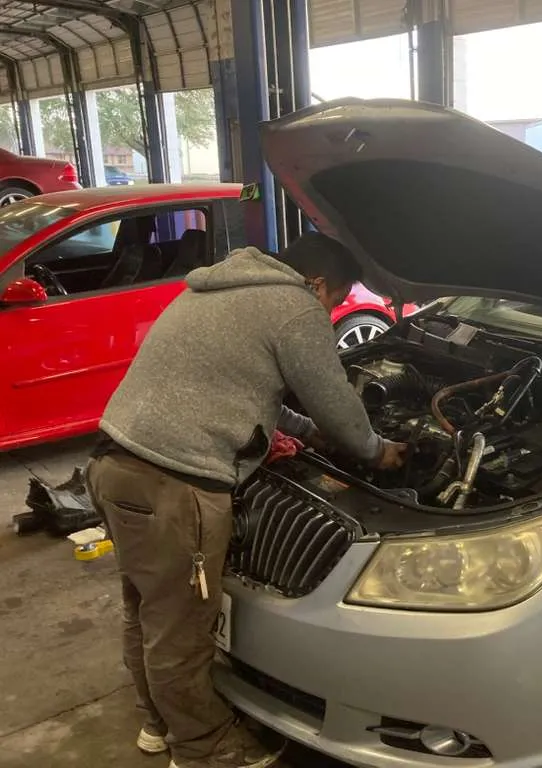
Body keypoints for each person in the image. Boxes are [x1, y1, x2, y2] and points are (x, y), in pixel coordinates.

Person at [84, 232, 405, 768]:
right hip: (175, 484)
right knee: (182, 631)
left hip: (114, 465)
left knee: (146, 610)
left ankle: (157, 723)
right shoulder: (294, 306)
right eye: (336, 299)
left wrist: (308, 433)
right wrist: (376, 451)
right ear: (318, 283)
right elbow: (339, 406)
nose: (330, 311)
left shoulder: (217, 288)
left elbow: (242, 388)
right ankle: (202, 749)